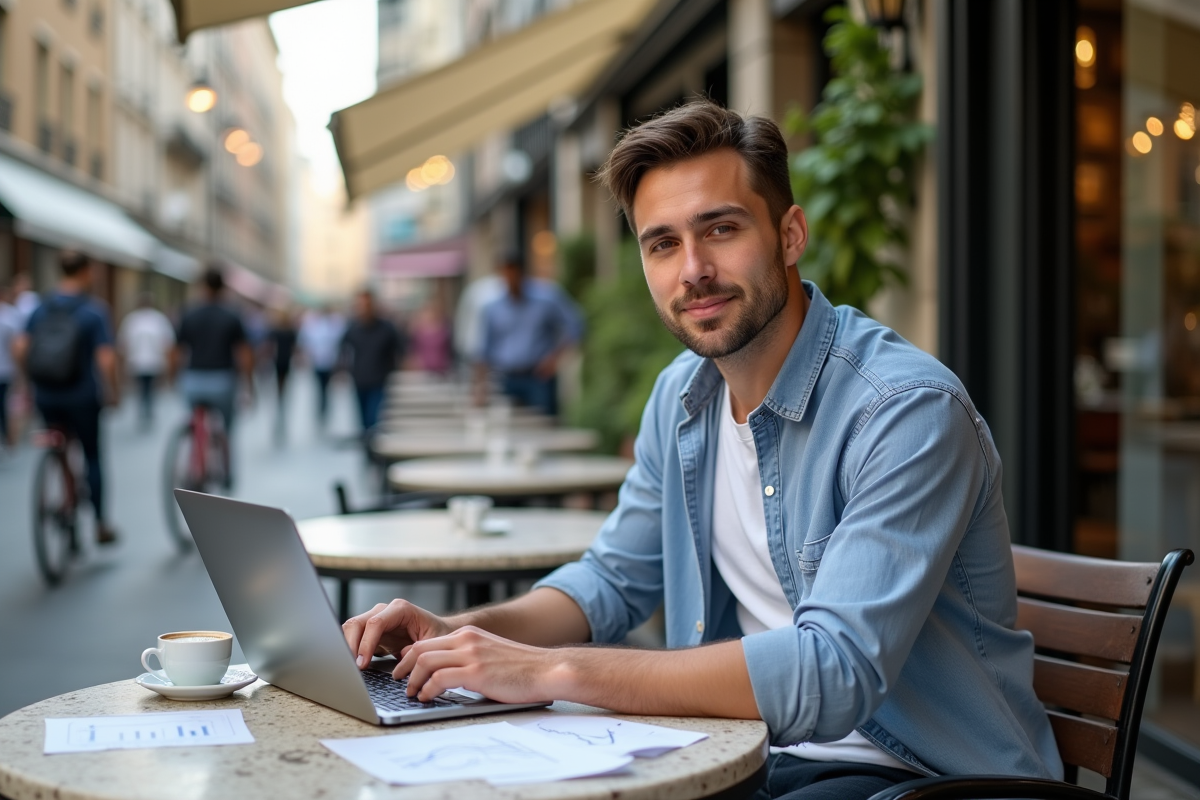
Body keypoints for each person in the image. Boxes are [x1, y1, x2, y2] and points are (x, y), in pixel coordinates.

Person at [342, 101, 1061, 800]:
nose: (693, 269)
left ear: (789, 235)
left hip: (926, 778)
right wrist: (459, 634)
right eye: (663, 243)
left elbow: (830, 673)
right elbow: (613, 582)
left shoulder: (904, 412)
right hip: (746, 755)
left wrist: (548, 672)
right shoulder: (683, 398)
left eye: (720, 229)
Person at [13, 252, 120, 543]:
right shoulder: (94, 311)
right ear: (86, 272)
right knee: (92, 456)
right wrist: (112, 391)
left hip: (47, 395)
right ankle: (100, 523)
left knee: (57, 446)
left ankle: (66, 495)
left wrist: (27, 382)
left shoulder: (41, 308)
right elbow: (106, 359)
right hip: (82, 397)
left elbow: (20, 348)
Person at [474, 254, 583, 416]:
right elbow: (485, 349)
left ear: (522, 272)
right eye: (505, 273)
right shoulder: (492, 308)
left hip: (538, 378)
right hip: (506, 378)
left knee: (543, 426)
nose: (509, 278)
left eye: (513, 272)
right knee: (508, 431)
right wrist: (480, 387)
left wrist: (555, 359)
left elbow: (575, 325)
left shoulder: (547, 297)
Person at [172, 265, 254, 433]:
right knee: (227, 425)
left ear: (202, 286)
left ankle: (197, 443)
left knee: (194, 415)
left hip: (193, 380)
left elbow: (175, 351)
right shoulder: (232, 315)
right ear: (223, 288)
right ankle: (223, 448)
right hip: (222, 380)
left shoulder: (188, 314)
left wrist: (172, 378)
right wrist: (249, 385)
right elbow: (245, 354)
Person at [340, 289, 404, 435]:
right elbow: (343, 349)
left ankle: (374, 449)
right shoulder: (353, 328)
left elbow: (400, 350)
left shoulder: (386, 328)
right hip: (359, 379)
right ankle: (367, 449)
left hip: (379, 380)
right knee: (363, 421)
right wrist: (341, 370)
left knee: (374, 419)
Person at [117, 294, 175, 428]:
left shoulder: (131, 319)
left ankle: (144, 411)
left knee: (143, 387)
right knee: (149, 388)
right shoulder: (159, 319)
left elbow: (123, 343)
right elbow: (167, 342)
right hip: (153, 361)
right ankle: (147, 411)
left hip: (137, 361)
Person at [297, 304, 346, 428]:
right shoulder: (313, 325)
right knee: (320, 388)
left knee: (325, 388)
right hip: (318, 363)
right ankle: (322, 409)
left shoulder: (334, 324)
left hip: (329, 363)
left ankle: (324, 409)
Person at [267, 307, 297, 441]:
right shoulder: (286, 331)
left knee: (281, 383)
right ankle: (281, 396)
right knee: (282, 383)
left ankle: (280, 396)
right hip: (282, 360)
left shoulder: (283, 331)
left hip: (281, 360)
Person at [0, 281, 22, 450]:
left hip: (6, 370)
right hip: (6, 369)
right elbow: (16, 347)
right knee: (5, 406)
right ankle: (9, 440)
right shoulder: (10, 317)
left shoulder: (10, 316)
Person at [408, 296, 452, 375]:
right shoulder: (418, 328)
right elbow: (413, 349)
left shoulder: (445, 326)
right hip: (422, 369)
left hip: (442, 369)